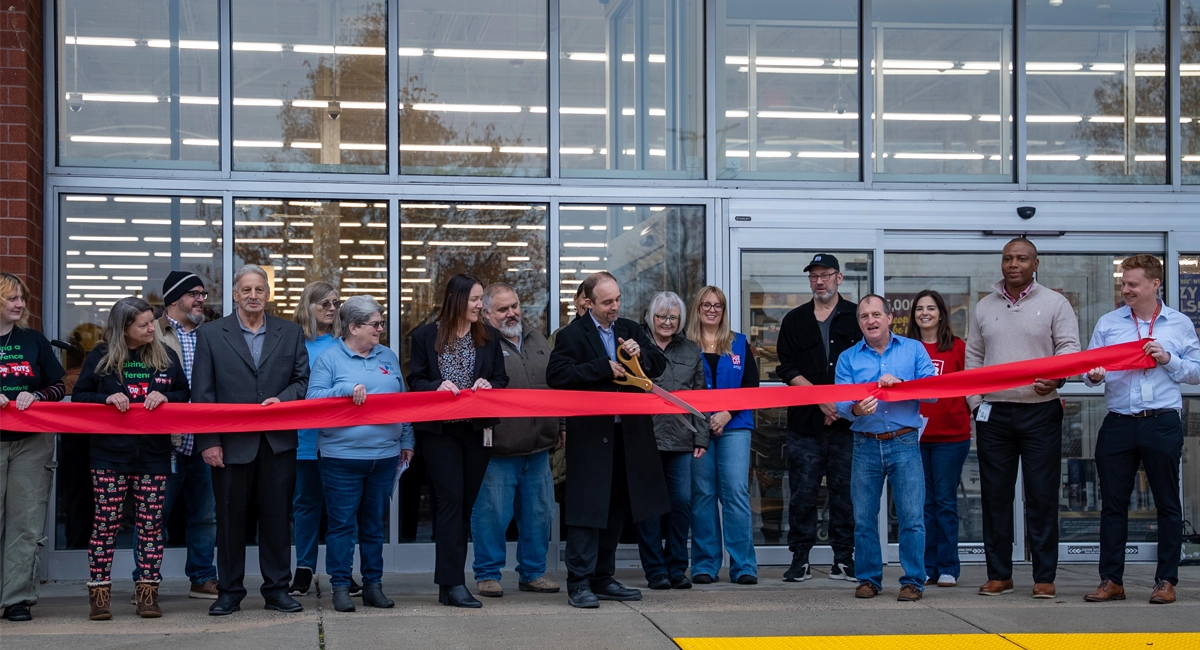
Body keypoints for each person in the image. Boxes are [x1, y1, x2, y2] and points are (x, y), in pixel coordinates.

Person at [546, 272, 670, 609]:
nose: (614, 307)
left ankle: (603, 577)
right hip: (590, 438)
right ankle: (579, 582)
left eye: (617, 299)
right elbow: (556, 375)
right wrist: (603, 367)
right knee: (587, 511)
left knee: (616, 508)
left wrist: (641, 352)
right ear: (588, 302)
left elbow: (659, 367)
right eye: (607, 302)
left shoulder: (629, 329)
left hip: (628, 437)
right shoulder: (572, 335)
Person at [1082, 255, 1200, 605]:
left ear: (1154, 284)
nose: (1126, 290)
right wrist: (1094, 375)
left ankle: (1165, 580)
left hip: (1162, 421)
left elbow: (1195, 371)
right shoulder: (1108, 322)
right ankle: (1111, 580)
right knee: (1113, 504)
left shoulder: (1178, 324)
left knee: (1167, 502)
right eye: (1123, 283)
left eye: (1133, 284)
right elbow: (1090, 368)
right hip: (1118, 422)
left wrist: (1168, 359)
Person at [193, 264, 310, 616]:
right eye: (246, 290)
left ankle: (276, 590)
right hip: (229, 445)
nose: (253, 296)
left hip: (277, 444)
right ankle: (229, 591)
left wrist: (284, 400)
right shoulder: (212, 334)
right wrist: (209, 441)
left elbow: (303, 381)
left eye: (259, 289)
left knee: (276, 520)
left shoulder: (290, 332)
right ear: (234, 294)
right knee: (230, 521)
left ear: (268, 294)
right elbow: (203, 394)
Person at [966, 238, 1080, 599]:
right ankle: (999, 574)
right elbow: (973, 357)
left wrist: (1058, 378)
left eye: (1021, 258)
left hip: (1040, 412)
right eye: (1007, 258)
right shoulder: (984, 306)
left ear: (1036, 263)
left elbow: (1070, 349)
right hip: (994, 414)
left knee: (1042, 496)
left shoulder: (1055, 303)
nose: (1013, 264)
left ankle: (1044, 576)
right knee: (995, 497)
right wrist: (974, 404)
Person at [73, 297, 190, 620]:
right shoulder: (100, 357)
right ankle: (99, 594)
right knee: (106, 524)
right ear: (123, 329)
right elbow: (80, 396)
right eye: (144, 324)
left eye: (152, 322)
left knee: (151, 526)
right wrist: (104, 397)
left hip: (153, 455)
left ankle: (148, 594)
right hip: (109, 456)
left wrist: (166, 395)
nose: (152, 328)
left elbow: (185, 393)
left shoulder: (164, 356)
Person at [307, 295, 414, 613]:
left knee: (373, 526)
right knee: (341, 526)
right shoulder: (329, 358)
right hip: (341, 457)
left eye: (380, 323)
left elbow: (403, 402)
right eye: (375, 324)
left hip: (384, 457)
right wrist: (343, 391)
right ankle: (340, 587)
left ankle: (373, 586)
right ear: (353, 327)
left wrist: (407, 440)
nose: (381, 328)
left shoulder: (388, 356)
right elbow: (313, 399)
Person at [407, 273, 508, 608]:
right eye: (476, 300)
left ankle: (447, 585)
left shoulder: (489, 336)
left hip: (477, 431)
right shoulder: (424, 336)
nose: (482, 305)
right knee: (450, 502)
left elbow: (501, 378)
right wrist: (435, 386)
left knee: (464, 505)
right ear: (457, 300)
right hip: (440, 434)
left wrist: (489, 385)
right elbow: (416, 380)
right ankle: (454, 582)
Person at [836, 295, 936, 601]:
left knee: (911, 516)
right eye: (864, 316)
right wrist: (855, 410)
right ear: (860, 323)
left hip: (905, 442)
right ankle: (868, 579)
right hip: (865, 444)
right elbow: (840, 403)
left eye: (876, 314)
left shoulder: (913, 349)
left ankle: (913, 581)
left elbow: (933, 393)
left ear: (890, 318)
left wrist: (904, 383)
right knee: (864, 517)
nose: (871, 320)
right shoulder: (848, 358)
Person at [470, 283, 560, 598]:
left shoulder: (537, 340)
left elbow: (555, 386)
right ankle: (487, 575)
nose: (512, 313)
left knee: (539, 513)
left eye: (515, 306)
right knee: (492, 514)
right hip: (498, 449)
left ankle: (533, 573)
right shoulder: (478, 342)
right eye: (503, 309)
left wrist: (560, 424)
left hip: (539, 449)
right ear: (486, 312)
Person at [775, 253, 860, 582]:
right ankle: (800, 558)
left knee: (845, 494)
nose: (819, 281)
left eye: (826, 275)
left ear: (839, 279)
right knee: (802, 494)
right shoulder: (794, 320)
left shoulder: (856, 316)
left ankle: (844, 559)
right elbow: (787, 368)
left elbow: (866, 366)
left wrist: (837, 405)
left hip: (848, 424)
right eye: (814, 276)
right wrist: (821, 400)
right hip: (805, 426)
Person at [144, 271, 218, 600]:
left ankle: (202, 578)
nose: (201, 299)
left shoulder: (214, 335)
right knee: (154, 515)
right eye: (194, 294)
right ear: (174, 300)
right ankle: (145, 581)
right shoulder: (151, 335)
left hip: (204, 439)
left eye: (202, 293)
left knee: (204, 515)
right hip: (164, 442)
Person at [0, 273, 66, 622]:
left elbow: (58, 385)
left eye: (21, 298)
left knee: (25, 524)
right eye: (12, 298)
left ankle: (17, 599)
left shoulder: (33, 341)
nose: (20, 304)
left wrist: (36, 395)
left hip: (31, 444)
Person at [634, 291, 708, 591]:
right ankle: (655, 571)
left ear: (680, 321)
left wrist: (700, 436)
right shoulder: (635, 349)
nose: (666, 322)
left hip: (681, 440)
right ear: (650, 318)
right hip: (645, 440)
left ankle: (677, 568)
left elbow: (701, 397)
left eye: (672, 317)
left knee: (681, 504)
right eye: (661, 316)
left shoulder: (691, 351)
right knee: (649, 508)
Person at [686, 285, 759, 585]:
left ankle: (743, 566)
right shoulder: (686, 345)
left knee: (736, 494)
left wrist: (728, 411)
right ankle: (705, 564)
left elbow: (751, 386)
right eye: (706, 305)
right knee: (702, 495)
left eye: (718, 305)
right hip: (697, 427)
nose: (712, 310)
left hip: (735, 426)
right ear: (698, 309)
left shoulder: (739, 343)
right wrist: (704, 419)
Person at [906, 290, 971, 588]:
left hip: (950, 436)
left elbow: (972, 386)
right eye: (919, 309)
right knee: (922, 504)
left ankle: (947, 567)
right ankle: (927, 566)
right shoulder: (905, 349)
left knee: (944, 501)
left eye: (931, 308)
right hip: (913, 436)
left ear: (942, 314)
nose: (925, 313)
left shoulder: (958, 348)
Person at [289, 281, 345, 598]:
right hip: (303, 442)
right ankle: (304, 569)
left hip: (339, 442)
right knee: (306, 507)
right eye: (323, 303)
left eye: (335, 303)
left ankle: (341, 572)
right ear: (308, 305)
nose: (331, 308)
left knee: (340, 510)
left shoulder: (344, 344)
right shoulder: (292, 343)